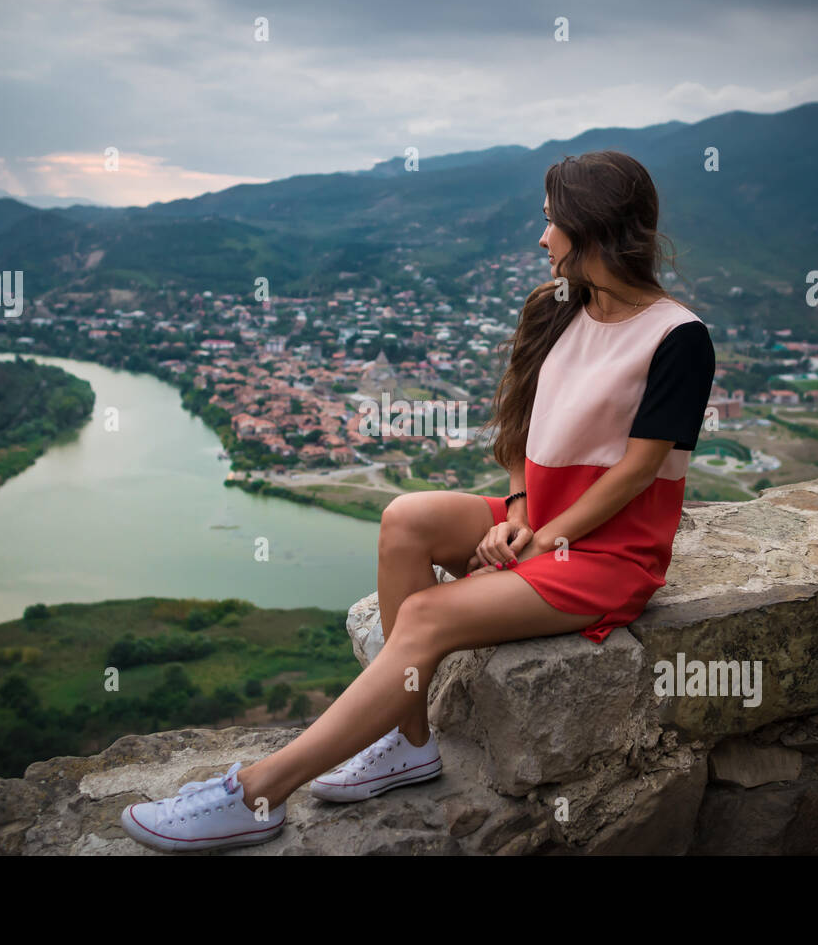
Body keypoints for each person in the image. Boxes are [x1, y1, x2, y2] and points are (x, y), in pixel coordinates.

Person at [120, 149, 716, 852]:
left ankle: (258, 791)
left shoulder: (679, 338)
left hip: (608, 552)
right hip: (542, 521)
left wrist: (541, 536)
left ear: (591, 228)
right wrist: (521, 513)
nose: (541, 237)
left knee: (430, 613)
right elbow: (526, 431)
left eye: (551, 222)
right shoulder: (558, 310)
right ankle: (409, 740)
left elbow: (639, 471)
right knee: (406, 518)